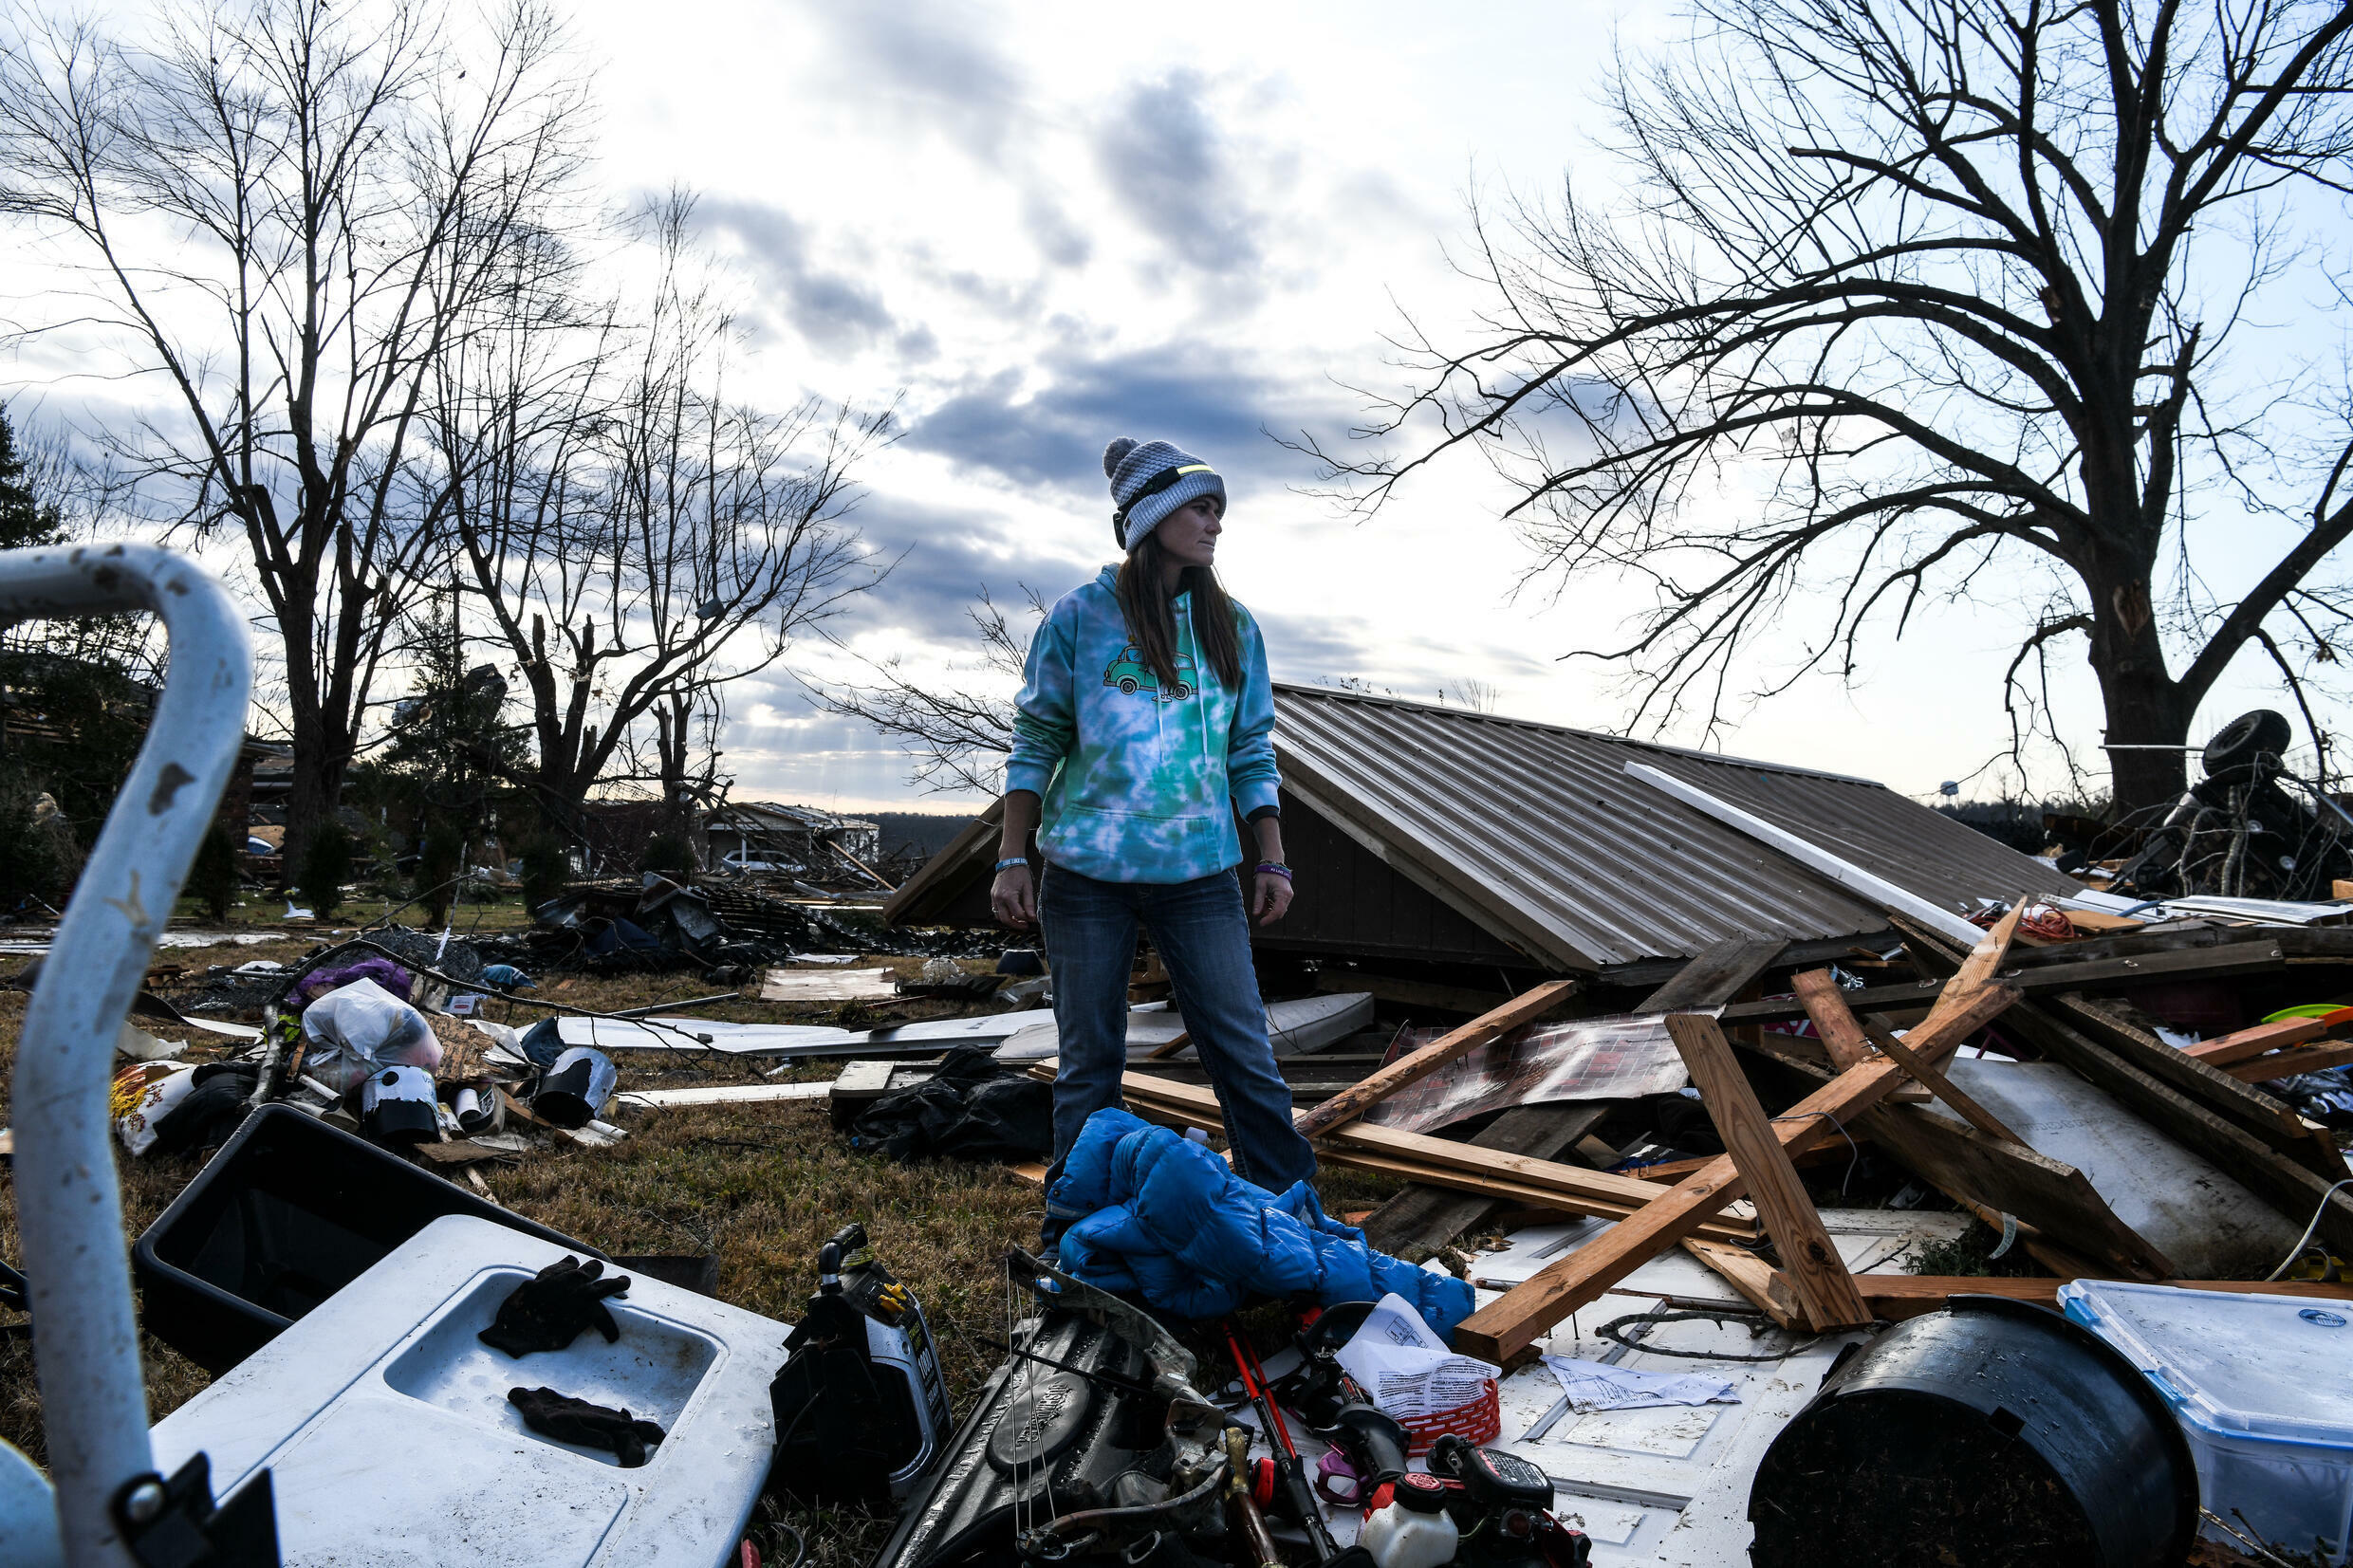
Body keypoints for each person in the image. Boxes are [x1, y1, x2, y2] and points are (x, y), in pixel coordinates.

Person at [992, 436, 1317, 1243]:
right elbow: (1036, 739)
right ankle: (1075, 1227)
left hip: (1202, 870)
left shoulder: (1231, 625)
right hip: (1086, 872)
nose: (1215, 524)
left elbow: (1251, 747)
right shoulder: (1078, 617)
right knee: (1090, 1062)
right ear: (1152, 516)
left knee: (1243, 1052)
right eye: (1202, 507)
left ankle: (1292, 1214)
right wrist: (1010, 853)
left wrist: (1271, 852)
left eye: (1218, 509)